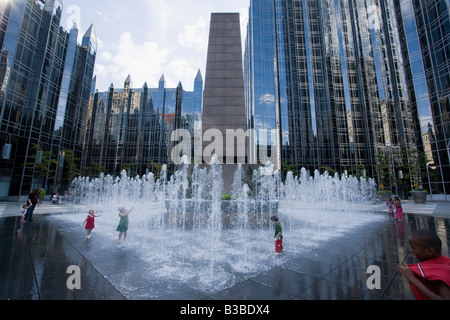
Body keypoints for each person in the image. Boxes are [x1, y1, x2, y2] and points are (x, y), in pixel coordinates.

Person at [398, 230, 450, 300]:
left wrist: (412, 278)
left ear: (430, 251)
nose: (411, 250)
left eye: (414, 248)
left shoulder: (441, 272)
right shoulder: (443, 261)